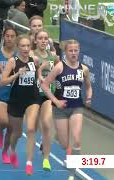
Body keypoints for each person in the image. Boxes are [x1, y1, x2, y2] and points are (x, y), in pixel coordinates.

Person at [41, 39, 92, 180]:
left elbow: (88, 86)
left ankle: (72, 173)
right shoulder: (59, 67)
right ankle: (59, 136)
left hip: (76, 108)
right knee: (64, 144)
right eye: (71, 50)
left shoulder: (84, 69)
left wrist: (88, 98)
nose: (74, 53)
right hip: (61, 110)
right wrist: (56, 101)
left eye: (76, 50)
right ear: (66, 52)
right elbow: (45, 85)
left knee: (76, 140)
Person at [0, 35, 40, 175]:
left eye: (28, 46)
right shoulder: (12, 61)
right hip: (16, 100)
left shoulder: (34, 61)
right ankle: (8, 150)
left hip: (32, 99)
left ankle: (29, 162)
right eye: (23, 46)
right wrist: (16, 74)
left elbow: (38, 76)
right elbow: (2, 82)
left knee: (30, 129)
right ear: (18, 47)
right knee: (15, 133)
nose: (26, 49)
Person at [31, 29, 60, 171]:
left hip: (48, 95)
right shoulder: (32, 55)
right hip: (33, 95)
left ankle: (46, 159)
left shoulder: (53, 56)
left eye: (45, 38)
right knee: (32, 127)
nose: (43, 41)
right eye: (40, 38)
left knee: (47, 124)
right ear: (35, 40)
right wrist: (40, 69)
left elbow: (60, 69)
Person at [0, 27, 17, 164]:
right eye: (7, 36)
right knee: (3, 121)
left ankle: (5, 151)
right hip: (0, 93)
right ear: (3, 37)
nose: (9, 38)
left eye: (12, 36)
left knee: (12, 128)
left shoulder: (20, 56)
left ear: (16, 38)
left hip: (14, 96)